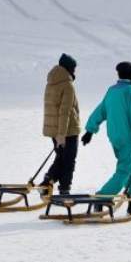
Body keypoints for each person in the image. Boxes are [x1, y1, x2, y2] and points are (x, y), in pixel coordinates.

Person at [82, 61, 131, 215]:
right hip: (128, 137)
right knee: (125, 170)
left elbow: (101, 110)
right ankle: (102, 196)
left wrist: (90, 131)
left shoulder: (112, 91)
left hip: (114, 136)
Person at [41, 53, 80, 195]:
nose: (75, 71)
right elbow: (65, 112)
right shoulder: (67, 85)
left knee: (61, 158)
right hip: (67, 130)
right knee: (69, 161)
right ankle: (64, 190)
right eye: (74, 68)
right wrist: (62, 134)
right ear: (69, 68)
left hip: (54, 129)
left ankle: (47, 182)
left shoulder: (51, 82)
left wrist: (58, 133)